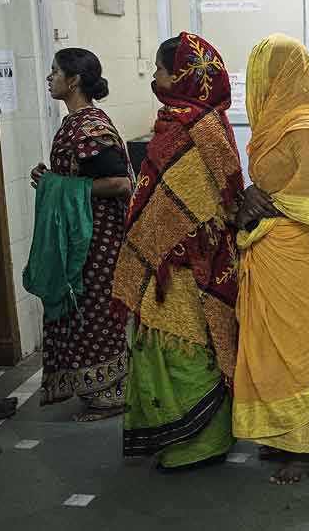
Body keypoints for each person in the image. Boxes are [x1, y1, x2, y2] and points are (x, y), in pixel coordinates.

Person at [112, 33, 244, 470]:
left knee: (190, 348)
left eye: (160, 69)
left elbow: (222, 197)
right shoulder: (181, 121)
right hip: (167, 263)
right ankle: (180, 440)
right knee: (166, 348)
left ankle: (201, 443)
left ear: (182, 75)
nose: (154, 76)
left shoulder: (202, 125)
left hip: (191, 264)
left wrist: (176, 236)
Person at [231, 33, 309, 485]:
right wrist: (252, 197)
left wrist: (263, 200)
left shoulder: (304, 125)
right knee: (269, 349)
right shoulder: (277, 122)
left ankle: (305, 446)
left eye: (260, 73)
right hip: (271, 249)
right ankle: (279, 432)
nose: (254, 83)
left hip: (302, 253)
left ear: (280, 75)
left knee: (300, 350)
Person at [28, 48, 132, 422]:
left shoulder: (89, 126)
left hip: (97, 241)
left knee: (96, 312)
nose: (50, 77)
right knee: (80, 311)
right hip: (80, 237)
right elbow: (80, 177)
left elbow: (120, 183)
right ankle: (95, 389)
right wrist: (52, 182)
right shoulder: (76, 123)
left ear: (73, 81)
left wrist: (62, 187)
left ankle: (112, 393)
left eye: (55, 71)